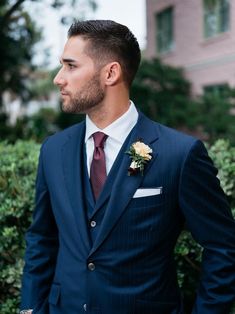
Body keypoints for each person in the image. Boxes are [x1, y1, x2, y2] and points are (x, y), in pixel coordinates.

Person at [20, 20, 235, 314]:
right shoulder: (53, 151)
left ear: (110, 73)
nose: (59, 78)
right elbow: (42, 239)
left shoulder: (179, 154)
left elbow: (224, 246)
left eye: (71, 66)